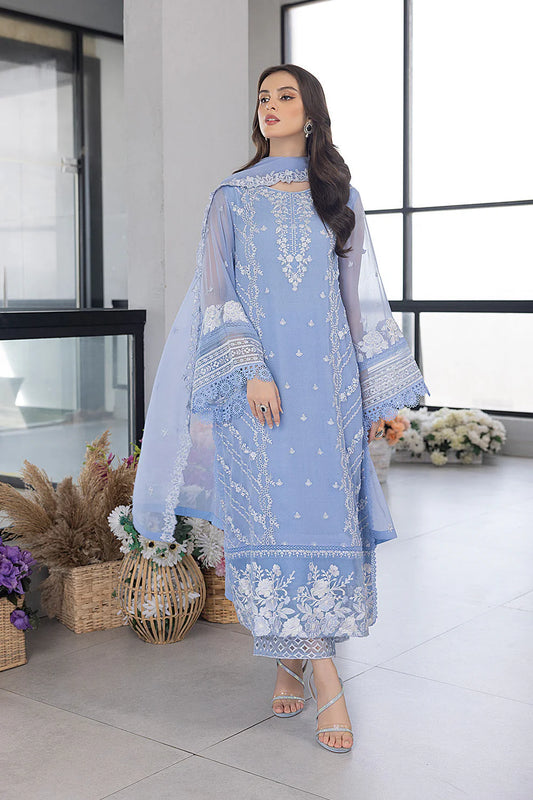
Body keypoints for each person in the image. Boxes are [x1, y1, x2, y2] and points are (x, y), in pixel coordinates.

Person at [132, 63, 430, 754]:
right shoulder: (231, 198)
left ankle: (291, 661)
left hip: (329, 392)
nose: (269, 106)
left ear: (310, 112)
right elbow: (217, 294)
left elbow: (357, 303)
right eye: (263, 98)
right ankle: (327, 679)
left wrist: (376, 394)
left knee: (324, 522)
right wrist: (252, 372)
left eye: (284, 96)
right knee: (276, 523)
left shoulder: (340, 198)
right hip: (259, 397)